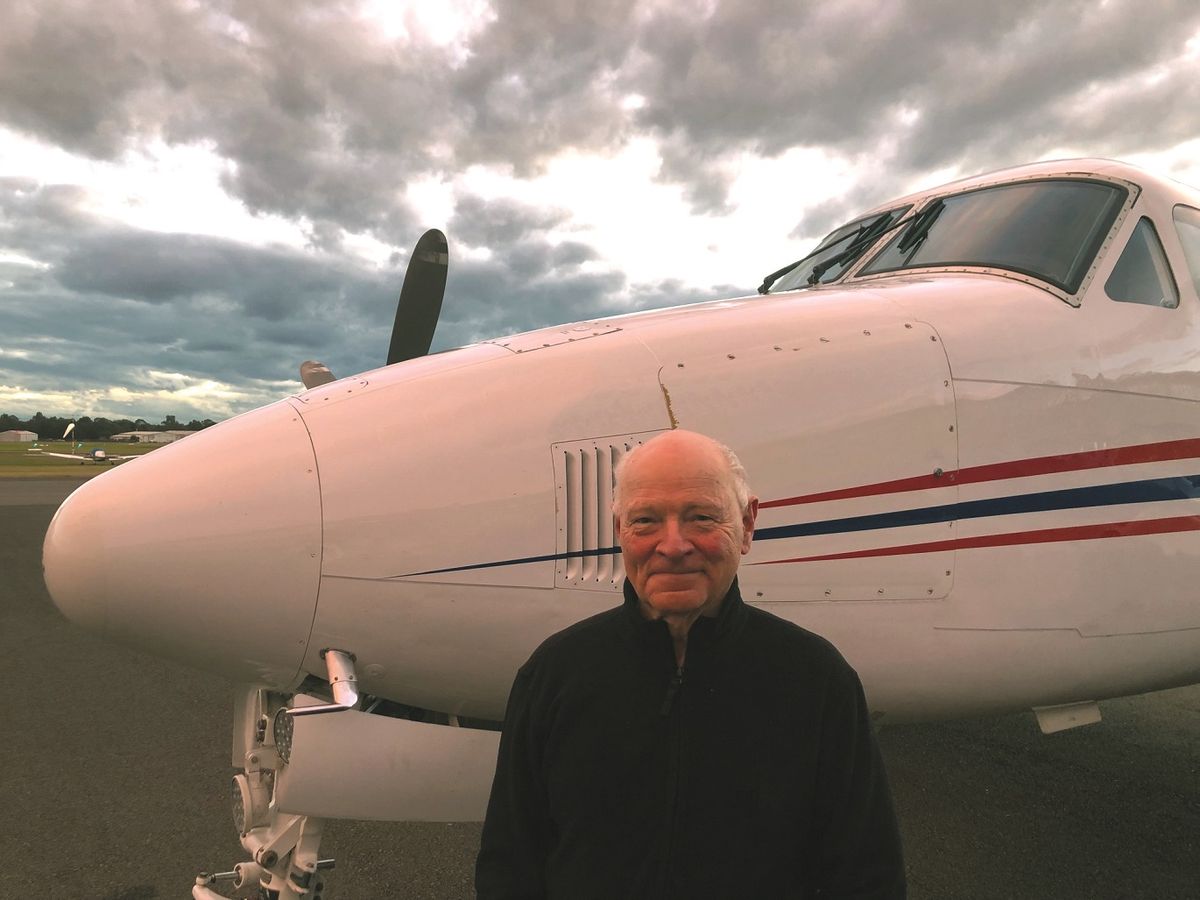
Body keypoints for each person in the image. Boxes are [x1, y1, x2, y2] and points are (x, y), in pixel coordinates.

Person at [476, 429, 906, 899]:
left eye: (701, 517)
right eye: (646, 520)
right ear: (619, 530)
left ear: (748, 524)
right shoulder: (554, 675)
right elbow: (509, 866)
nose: (673, 545)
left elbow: (868, 878)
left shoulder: (817, 681)